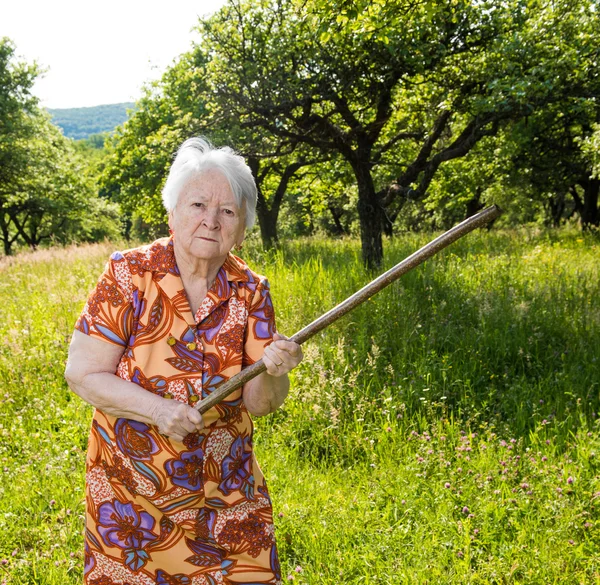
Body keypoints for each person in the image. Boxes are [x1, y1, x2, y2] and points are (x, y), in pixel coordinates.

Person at [65, 137, 303, 585]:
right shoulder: (130, 274)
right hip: (132, 498)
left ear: (243, 226)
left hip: (226, 489)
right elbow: (82, 373)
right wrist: (160, 411)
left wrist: (276, 372)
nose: (211, 220)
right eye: (197, 204)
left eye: (228, 211)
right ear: (173, 213)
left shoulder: (251, 290)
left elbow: (261, 402)